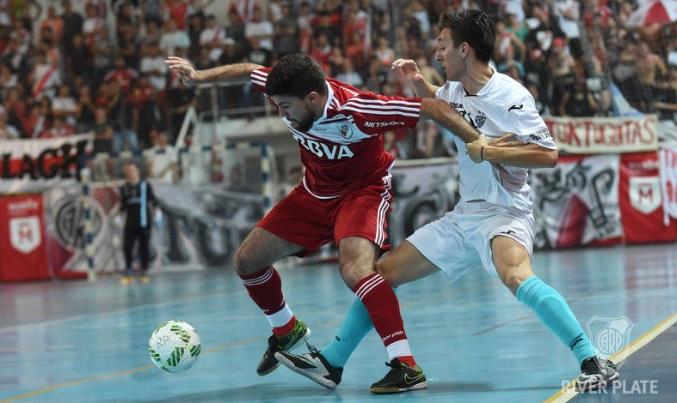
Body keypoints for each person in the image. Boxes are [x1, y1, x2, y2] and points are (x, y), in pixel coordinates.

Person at [275, 10, 619, 393]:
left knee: (516, 275)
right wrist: (417, 81)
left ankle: (593, 359)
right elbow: (442, 107)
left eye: (442, 46)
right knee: (383, 274)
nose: (437, 53)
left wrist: (488, 151)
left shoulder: (511, 95)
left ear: (465, 49)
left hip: (503, 212)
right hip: (463, 216)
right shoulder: (454, 90)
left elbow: (548, 155)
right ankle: (333, 364)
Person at [165, 52, 484, 393]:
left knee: (356, 271)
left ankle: (405, 365)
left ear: (312, 98)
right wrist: (199, 77)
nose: (281, 112)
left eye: (286, 106)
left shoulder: (358, 110)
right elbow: (249, 70)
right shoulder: (287, 88)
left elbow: (433, 109)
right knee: (247, 261)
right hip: (315, 193)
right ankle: (286, 329)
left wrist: (481, 144)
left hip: (363, 192)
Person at [119, 162, 157, 285]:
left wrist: (158, 214)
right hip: (130, 223)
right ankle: (128, 271)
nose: (131, 173)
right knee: (127, 248)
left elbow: (154, 201)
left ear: (137, 171)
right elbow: (123, 205)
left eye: (133, 170)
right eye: (128, 171)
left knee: (143, 248)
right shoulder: (124, 188)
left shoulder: (146, 185)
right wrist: (118, 216)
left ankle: (144, 272)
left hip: (144, 222)